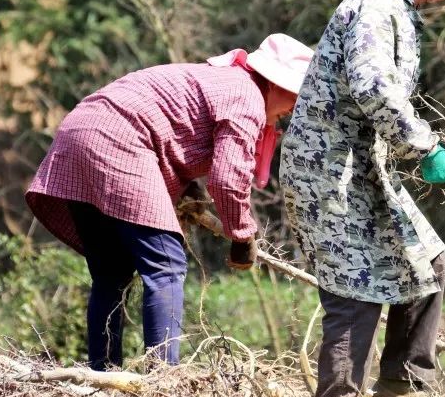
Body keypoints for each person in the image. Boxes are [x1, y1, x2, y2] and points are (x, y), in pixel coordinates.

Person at [280, 0, 445, 397]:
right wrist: (426, 148)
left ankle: (403, 389)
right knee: (355, 293)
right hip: (327, 174)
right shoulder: (377, 6)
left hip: (362, 170)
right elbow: (374, 87)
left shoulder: (397, 8)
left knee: (425, 260)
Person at [26, 33, 313, 370]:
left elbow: (173, 132)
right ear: (276, 82)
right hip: (117, 139)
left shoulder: (223, 81)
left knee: (111, 273)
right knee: (166, 266)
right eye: (295, 96)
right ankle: (165, 381)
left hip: (79, 131)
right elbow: (228, 179)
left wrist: (188, 188)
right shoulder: (247, 96)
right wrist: (242, 236)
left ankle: (102, 376)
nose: (293, 107)